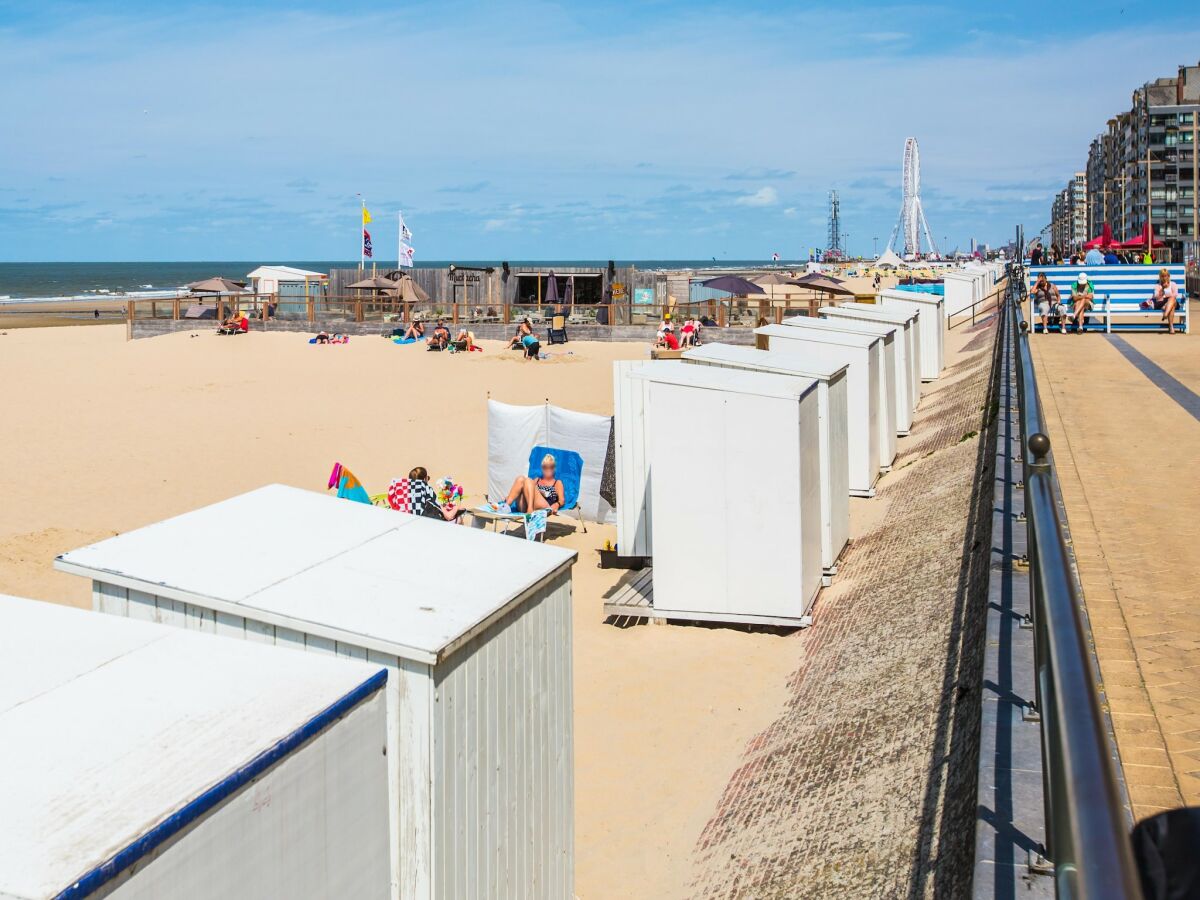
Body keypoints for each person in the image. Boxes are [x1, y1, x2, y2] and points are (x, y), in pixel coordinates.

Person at [498, 454, 566, 516]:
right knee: (521, 478)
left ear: (554, 468)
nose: (548, 469)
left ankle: (530, 510)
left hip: (543, 507)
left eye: (551, 466)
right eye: (545, 467)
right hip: (525, 506)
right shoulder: (537, 480)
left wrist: (557, 504)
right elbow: (527, 488)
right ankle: (506, 506)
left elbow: (562, 500)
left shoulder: (557, 483)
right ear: (542, 468)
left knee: (528, 480)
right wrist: (510, 496)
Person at [1148, 268, 1180, 334]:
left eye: (1166, 275)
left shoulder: (1173, 284)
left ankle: (1165, 314)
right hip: (1162, 303)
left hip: (1171, 302)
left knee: (1172, 300)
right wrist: (1162, 291)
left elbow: (1175, 294)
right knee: (1172, 307)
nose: (1164, 277)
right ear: (1160, 277)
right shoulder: (1158, 286)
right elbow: (1156, 297)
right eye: (1162, 276)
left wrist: (1167, 297)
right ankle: (1171, 327)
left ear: (1168, 276)